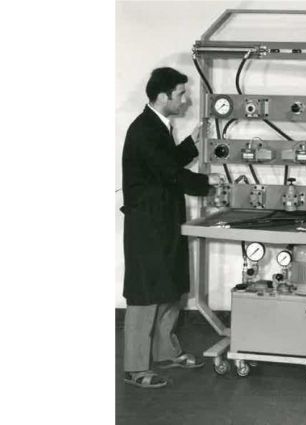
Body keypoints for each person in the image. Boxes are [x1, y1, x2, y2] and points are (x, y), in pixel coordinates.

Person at [120, 67, 221, 388]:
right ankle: (135, 367)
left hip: (164, 220)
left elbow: (166, 162)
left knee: (171, 288)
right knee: (146, 294)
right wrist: (210, 184)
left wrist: (192, 142)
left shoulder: (158, 126)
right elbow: (169, 172)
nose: (186, 100)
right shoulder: (143, 130)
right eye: (181, 94)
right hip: (148, 224)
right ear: (163, 97)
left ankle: (165, 352)